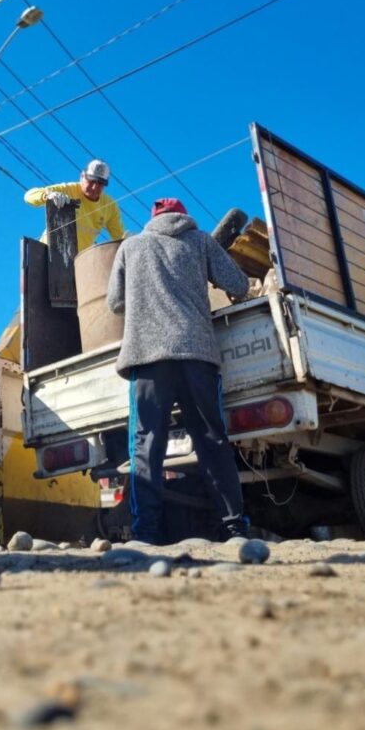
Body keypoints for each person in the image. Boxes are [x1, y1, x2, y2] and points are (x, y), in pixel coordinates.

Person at [106, 196, 250, 544]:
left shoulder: (131, 247)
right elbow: (239, 284)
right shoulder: (201, 242)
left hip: (147, 358)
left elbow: (115, 303)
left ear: (153, 218)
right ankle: (233, 528)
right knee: (211, 440)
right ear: (184, 217)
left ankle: (146, 534)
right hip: (196, 355)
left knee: (146, 445)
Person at [24, 159, 125, 251]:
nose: (94, 187)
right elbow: (28, 196)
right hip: (47, 253)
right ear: (82, 176)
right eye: (91, 181)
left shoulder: (109, 206)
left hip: (79, 260)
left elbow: (120, 238)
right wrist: (47, 196)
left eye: (100, 184)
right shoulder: (69, 189)